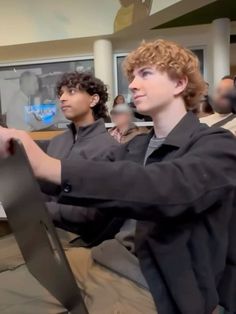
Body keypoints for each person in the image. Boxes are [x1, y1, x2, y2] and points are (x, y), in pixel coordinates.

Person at [0, 39, 236, 314]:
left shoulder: (218, 144)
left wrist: (48, 166)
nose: (133, 85)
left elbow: (166, 187)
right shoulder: (134, 147)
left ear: (179, 84)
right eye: (133, 77)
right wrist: (20, 176)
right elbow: (90, 200)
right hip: (100, 258)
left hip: (155, 285)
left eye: (145, 73)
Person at [45, 71, 119, 238]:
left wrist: (38, 208)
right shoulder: (57, 142)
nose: (62, 98)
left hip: (79, 238)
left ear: (93, 100)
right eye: (61, 93)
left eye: (71, 92)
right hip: (43, 227)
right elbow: (45, 189)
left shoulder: (109, 149)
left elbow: (91, 214)